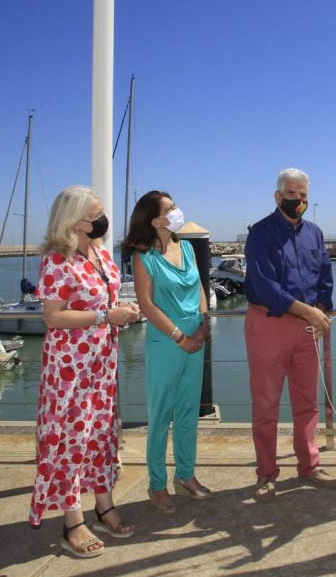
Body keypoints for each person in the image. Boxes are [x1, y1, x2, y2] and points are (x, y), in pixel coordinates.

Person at [28, 185, 141, 558]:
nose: (101, 220)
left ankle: (103, 504)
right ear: (74, 221)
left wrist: (119, 308)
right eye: (94, 215)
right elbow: (53, 316)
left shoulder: (101, 255)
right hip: (70, 367)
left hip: (101, 363)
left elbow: (103, 299)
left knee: (100, 434)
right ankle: (71, 521)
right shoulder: (57, 260)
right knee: (71, 439)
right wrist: (108, 315)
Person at [243, 168, 336, 501]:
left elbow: (325, 274)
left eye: (304, 196)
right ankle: (266, 474)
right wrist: (307, 311)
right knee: (266, 404)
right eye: (293, 194)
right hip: (269, 325)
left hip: (308, 327)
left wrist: (322, 308)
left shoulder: (314, 233)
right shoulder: (260, 234)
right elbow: (265, 285)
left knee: (307, 402)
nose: (299, 201)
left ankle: (309, 465)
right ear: (277, 196)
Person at [124, 191, 212, 514]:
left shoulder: (186, 247)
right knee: (161, 415)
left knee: (189, 412)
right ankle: (157, 484)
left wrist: (203, 325)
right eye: (170, 208)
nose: (177, 211)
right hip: (167, 342)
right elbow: (146, 304)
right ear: (155, 220)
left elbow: (200, 288)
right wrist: (180, 337)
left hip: (195, 337)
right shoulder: (143, 257)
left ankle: (185, 475)